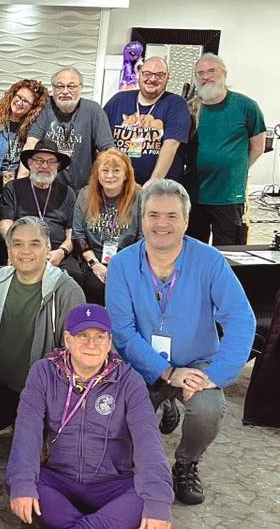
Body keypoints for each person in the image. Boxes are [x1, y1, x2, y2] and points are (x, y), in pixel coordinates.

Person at [105, 179, 255, 505]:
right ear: (141, 218)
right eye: (153, 215)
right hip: (142, 363)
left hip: (197, 363)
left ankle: (186, 462)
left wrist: (213, 376)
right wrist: (167, 373)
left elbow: (242, 320)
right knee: (116, 417)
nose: (162, 224)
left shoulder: (210, 261)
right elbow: (123, 332)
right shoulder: (121, 265)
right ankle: (162, 406)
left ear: (186, 221)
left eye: (172, 216)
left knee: (208, 409)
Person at [6, 304, 173, 529]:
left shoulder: (129, 380)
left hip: (113, 485)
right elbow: (27, 431)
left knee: (147, 500)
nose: (91, 344)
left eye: (99, 336)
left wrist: (158, 500)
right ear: (67, 339)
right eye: (82, 335)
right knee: (21, 485)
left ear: (109, 341)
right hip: (58, 480)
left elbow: (148, 440)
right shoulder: (43, 372)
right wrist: (22, 483)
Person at [0, 217, 84, 449]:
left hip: (45, 396)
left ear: (48, 247)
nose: (25, 251)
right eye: (18, 244)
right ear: (8, 248)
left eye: (34, 243)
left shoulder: (67, 292)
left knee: (36, 458)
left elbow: (76, 356)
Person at [184, 53, 266, 245]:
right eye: (200, 73)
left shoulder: (246, 106)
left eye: (211, 71)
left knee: (230, 251)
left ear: (224, 73)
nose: (206, 77)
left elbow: (258, 147)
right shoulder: (189, 110)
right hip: (194, 195)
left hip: (229, 197)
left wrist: (234, 169)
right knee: (194, 250)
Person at [103, 56, 192, 186]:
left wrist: (155, 181)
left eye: (159, 75)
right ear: (139, 74)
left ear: (167, 78)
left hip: (158, 189)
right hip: (118, 186)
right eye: (147, 73)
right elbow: (101, 140)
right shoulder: (118, 100)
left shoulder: (175, 104)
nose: (152, 79)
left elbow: (171, 144)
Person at [25, 66, 113, 192]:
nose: (65, 91)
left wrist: (105, 184)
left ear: (80, 88)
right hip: (46, 186)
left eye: (71, 86)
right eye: (60, 86)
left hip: (83, 190)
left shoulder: (93, 110)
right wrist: (21, 183)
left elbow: (108, 151)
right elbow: (31, 144)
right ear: (53, 88)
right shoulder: (44, 108)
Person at [71, 149, 141, 305]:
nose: (110, 176)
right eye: (105, 170)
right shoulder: (85, 195)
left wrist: (123, 267)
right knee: (95, 287)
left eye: (116, 170)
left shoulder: (139, 196)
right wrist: (94, 264)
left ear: (126, 174)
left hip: (128, 261)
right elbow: (78, 235)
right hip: (93, 260)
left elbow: (144, 237)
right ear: (97, 174)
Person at [0, 139, 77, 272]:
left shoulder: (67, 193)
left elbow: (72, 233)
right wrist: (18, 245)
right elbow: (4, 224)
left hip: (55, 252)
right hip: (23, 249)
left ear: (57, 166)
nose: (44, 166)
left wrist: (62, 252)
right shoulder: (13, 188)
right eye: (39, 160)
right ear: (30, 163)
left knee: (74, 274)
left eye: (51, 161)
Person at [0, 79, 49, 190]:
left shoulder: (33, 128)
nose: (19, 102)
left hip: (15, 187)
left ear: (33, 107)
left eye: (26, 101)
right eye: (19, 97)